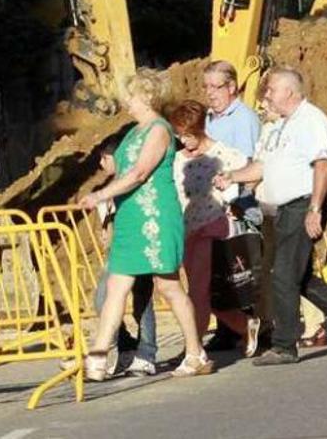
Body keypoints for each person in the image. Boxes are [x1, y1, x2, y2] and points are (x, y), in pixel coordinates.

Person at [214, 67, 327, 366]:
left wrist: (314, 209)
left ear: (289, 91)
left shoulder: (311, 121)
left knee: (283, 274)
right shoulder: (280, 126)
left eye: (271, 89)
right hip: (283, 210)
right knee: (296, 277)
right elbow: (262, 167)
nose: (267, 96)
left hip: (302, 205)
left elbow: (323, 165)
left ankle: (284, 346)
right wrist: (232, 176)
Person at [79, 69, 211, 380]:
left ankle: (195, 351)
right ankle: (98, 355)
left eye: (131, 95)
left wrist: (101, 194)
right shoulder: (134, 131)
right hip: (130, 217)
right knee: (116, 287)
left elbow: (139, 173)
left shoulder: (159, 129)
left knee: (168, 286)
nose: (127, 101)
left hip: (154, 216)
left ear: (147, 97)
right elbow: (123, 169)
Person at [168, 100, 260, 356]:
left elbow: (254, 171)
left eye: (188, 134)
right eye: (180, 135)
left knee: (199, 292)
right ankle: (247, 325)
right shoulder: (176, 160)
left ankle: (193, 350)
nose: (183, 140)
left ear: (200, 129)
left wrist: (238, 198)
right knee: (212, 295)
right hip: (188, 232)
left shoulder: (223, 154)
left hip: (214, 228)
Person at [81, 139, 159, 377]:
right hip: (118, 254)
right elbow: (107, 223)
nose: (102, 163)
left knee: (142, 303)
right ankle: (126, 345)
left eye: (106, 157)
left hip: (138, 247)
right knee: (102, 299)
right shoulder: (110, 188)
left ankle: (147, 353)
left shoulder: (134, 181)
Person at [199, 60, 262, 350]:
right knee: (221, 270)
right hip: (214, 208)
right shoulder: (210, 118)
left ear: (232, 87)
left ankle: (257, 326)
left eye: (216, 86)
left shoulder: (244, 119)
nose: (210, 93)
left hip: (239, 207)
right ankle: (229, 327)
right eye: (207, 86)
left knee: (243, 269)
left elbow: (248, 163)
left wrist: (234, 200)